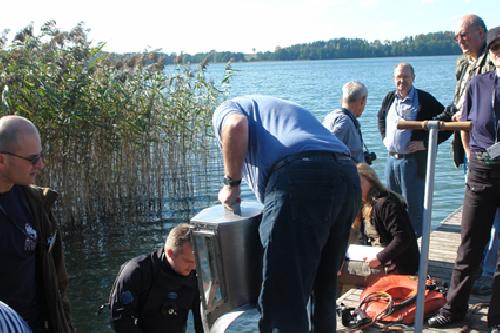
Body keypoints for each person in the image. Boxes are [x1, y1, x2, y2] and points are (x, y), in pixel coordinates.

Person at [213, 95, 361, 332]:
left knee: (283, 295)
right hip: (347, 175)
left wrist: (231, 184)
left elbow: (235, 126)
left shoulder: (228, 108)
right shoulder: (278, 110)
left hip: (300, 178)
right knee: (323, 287)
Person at [428, 27, 500, 332]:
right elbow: (464, 123)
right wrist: (471, 154)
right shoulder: (477, 83)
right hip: (482, 171)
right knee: (469, 245)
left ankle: (497, 318)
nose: (499, 52)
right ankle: (454, 309)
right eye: (495, 47)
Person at [0, 115, 74, 333]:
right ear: (2, 160)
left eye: (40, 156)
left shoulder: (37, 205)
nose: (40, 165)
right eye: (32, 159)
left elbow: (57, 278)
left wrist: (65, 324)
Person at [377, 63, 450, 238]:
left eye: (406, 77)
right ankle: (398, 248)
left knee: (415, 210)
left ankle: (418, 254)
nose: (401, 81)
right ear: (394, 78)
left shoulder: (424, 99)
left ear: (413, 78)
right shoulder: (389, 98)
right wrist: (384, 138)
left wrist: (425, 144)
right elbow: (380, 116)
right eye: (398, 77)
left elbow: (447, 124)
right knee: (392, 206)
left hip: (413, 162)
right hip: (391, 161)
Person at [109, 223, 203, 333]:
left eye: (196, 262)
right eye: (188, 262)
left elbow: (201, 318)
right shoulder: (137, 272)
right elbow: (120, 319)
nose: (193, 267)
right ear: (170, 253)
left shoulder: (195, 275)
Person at [356, 162, 419, 275]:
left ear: (371, 181)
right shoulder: (363, 204)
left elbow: (403, 238)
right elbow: (364, 238)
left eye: (359, 182)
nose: (355, 187)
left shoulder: (386, 204)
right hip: (378, 258)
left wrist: (380, 258)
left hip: (399, 262)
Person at [323, 81, 372, 163]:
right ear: (362, 100)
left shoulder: (330, 117)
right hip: (345, 173)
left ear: (342, 99)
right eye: (365, 102)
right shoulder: (345, 122)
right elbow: (328, 149)